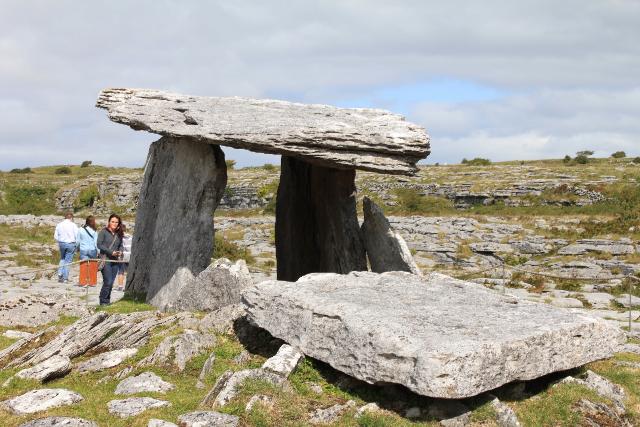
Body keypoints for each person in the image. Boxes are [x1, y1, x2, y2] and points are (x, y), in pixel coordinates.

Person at [97, 214, 123, 305]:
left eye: (116, 222)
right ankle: (103, 301)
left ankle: (107, 301)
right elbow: (99, 245)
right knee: (107, 281)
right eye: (113, 221)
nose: (114, 224)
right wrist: (111, 252)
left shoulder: (119, 234)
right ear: (109, 222)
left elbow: (121, 245)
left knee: (111, 283)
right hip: (106, 260)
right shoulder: (103, 232)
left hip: (115, 261)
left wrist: (120, 252)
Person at [54, 212, 78, 283]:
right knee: (68, 261)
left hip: (62, 243)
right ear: (71, 218)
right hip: (71, 244)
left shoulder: (59, 224)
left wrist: (60, 241)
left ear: (65, 217)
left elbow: (55, 236)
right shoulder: (73, 225)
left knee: (62, 258)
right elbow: (77, 235)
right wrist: (77, 245)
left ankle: (60, 274)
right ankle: (65, 278)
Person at [116, 224, 132, 291]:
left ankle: (120, 286)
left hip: (122, 256)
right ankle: (128, 286)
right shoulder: (131, 237)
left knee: (121, 271)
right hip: (130, 255)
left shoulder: (119, 238)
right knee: (129, 272)